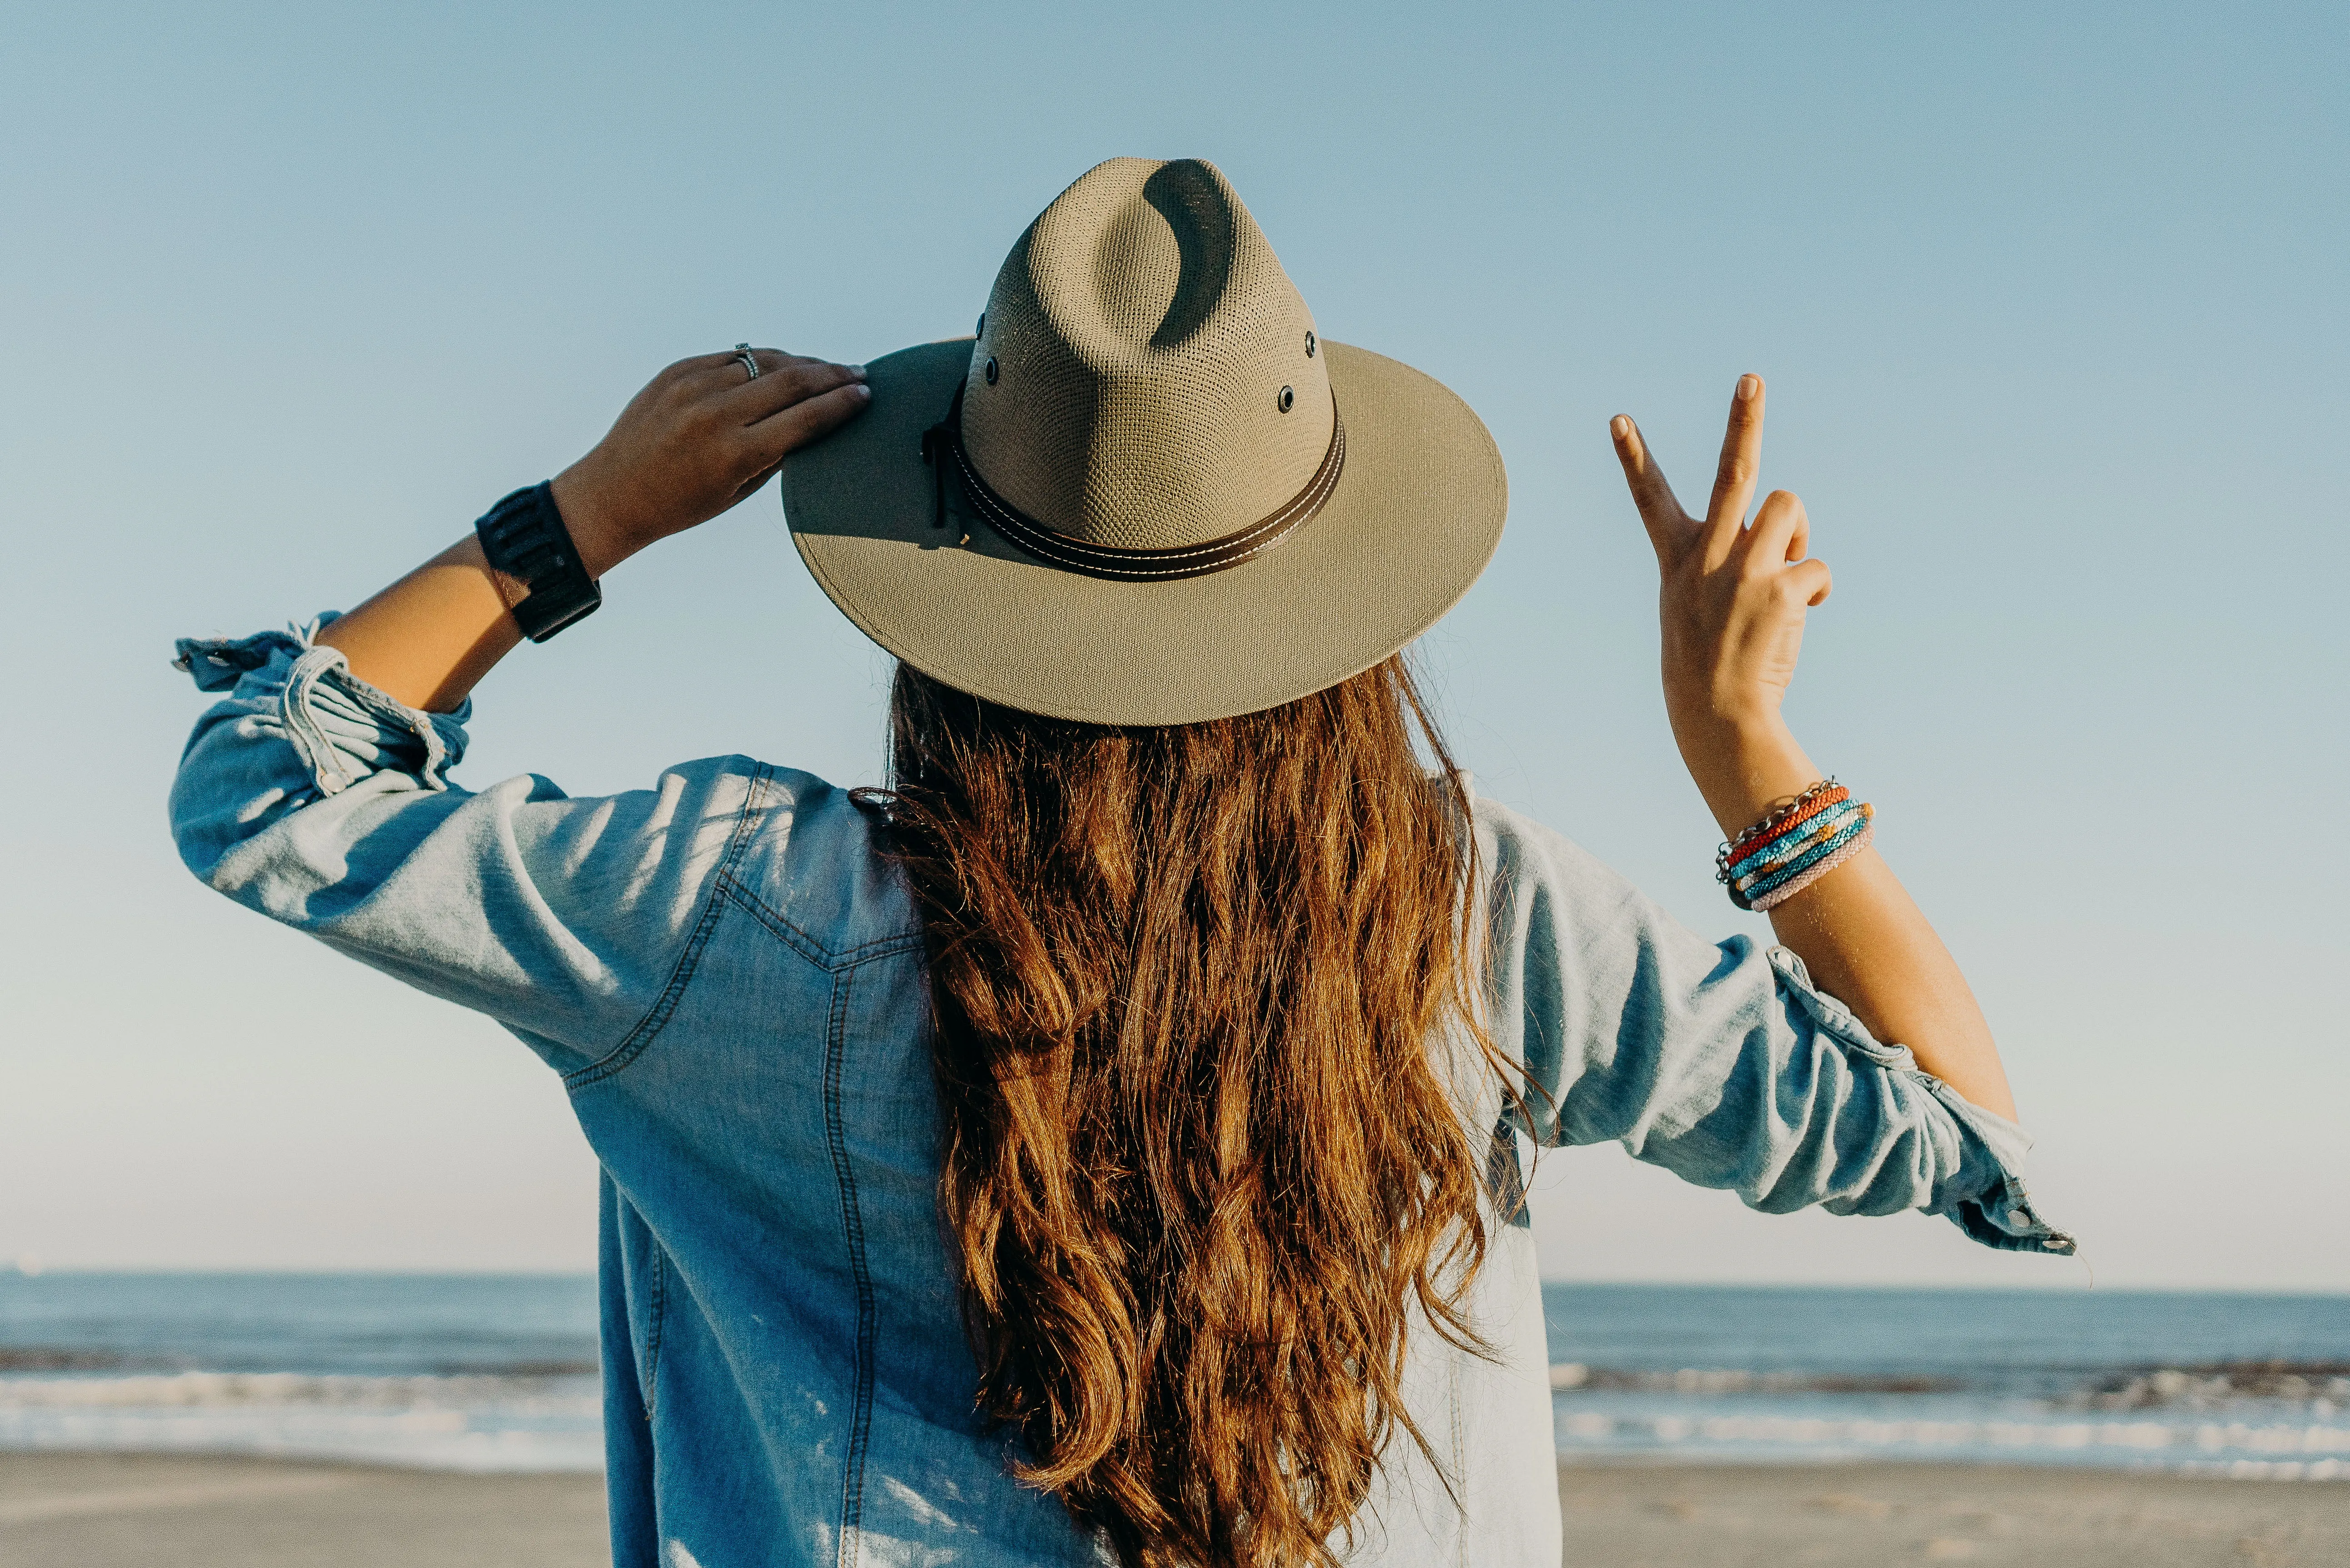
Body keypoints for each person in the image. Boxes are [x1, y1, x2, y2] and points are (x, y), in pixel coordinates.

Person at [169, 157, 2069, 1568]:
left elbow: (269, 796)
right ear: (1335, 592)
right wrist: (1743, 749)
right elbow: (1955, 1128)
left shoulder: (726, 909)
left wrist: (571, 522)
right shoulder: (1475, 914)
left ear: (929, 576)